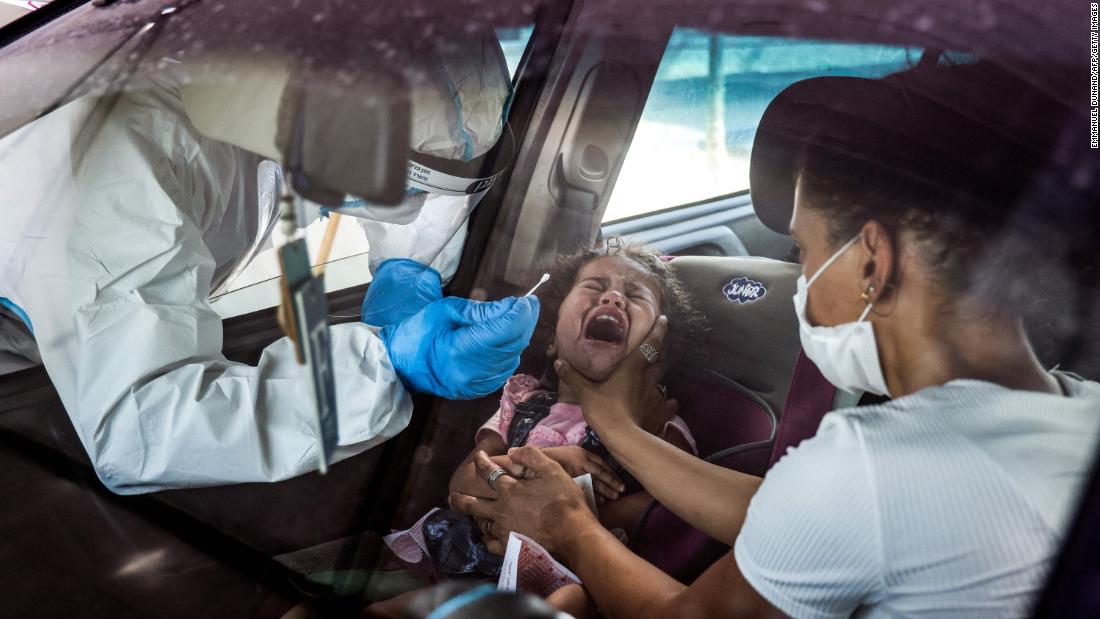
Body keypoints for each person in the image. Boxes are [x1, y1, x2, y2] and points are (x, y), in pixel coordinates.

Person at [449, 62, 1100, 617]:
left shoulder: (870, 464)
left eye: (807, 248)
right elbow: (789, 513)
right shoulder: (1079, 407)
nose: (803, 280)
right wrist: (617, 427)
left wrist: (568, 525)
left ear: (872, 261)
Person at [0, 30, 538, 494]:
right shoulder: (128, 164)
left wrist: (409, 268)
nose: (418, 204)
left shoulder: (272, 111)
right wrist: (381, 365)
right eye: (407, 182)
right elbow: (143, 431)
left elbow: (431, 165)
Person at [365, 242, 705, 618]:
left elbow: (675, 509)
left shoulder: (656, 422)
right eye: (594, 287)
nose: (612, 297)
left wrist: (574, 506)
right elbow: (462, 485)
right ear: (552, 336)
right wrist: (546, 461)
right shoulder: (523, 399)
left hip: (569, 572)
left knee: (570, 604)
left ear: (658, 349)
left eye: (635, 295)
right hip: (468, 556)